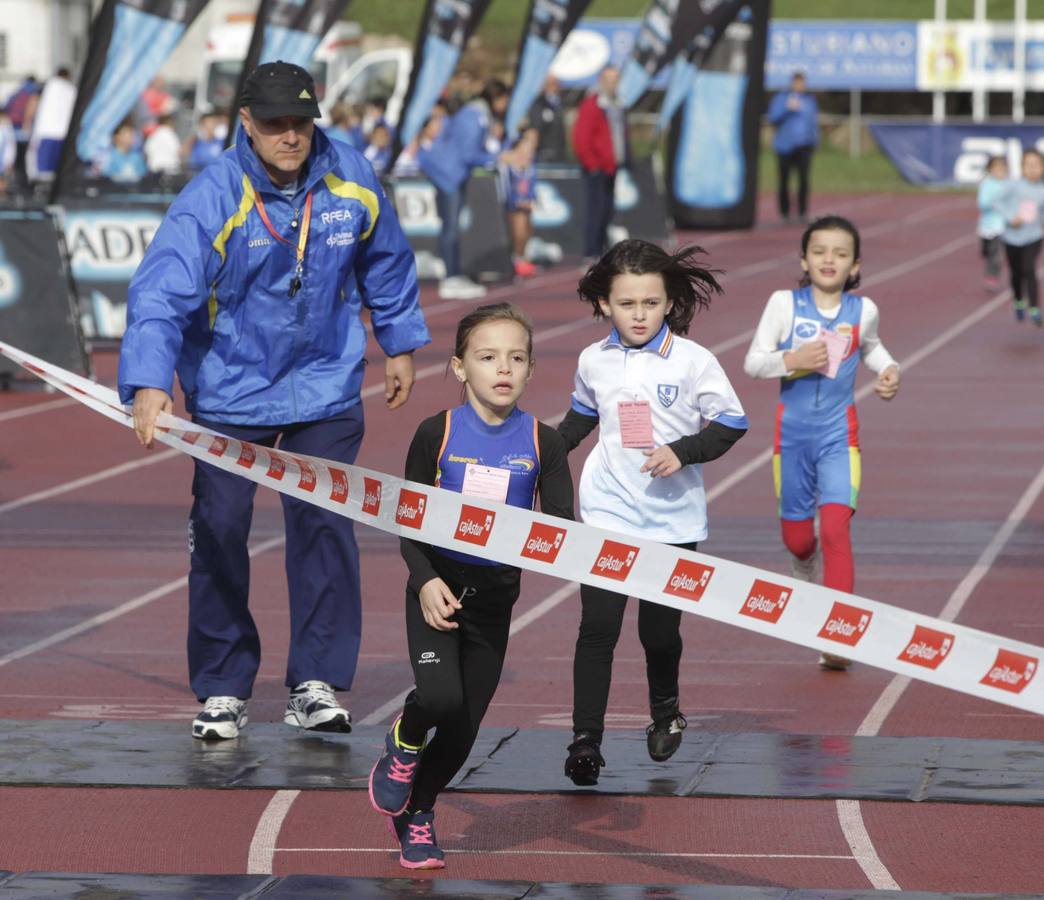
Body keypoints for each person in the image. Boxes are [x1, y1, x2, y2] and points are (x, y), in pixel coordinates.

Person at [117, 61, 429, 740]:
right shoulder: (213, 195)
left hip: (325, 385)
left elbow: (388, 260)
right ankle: (225, 686)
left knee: (323, 527)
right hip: (231, 389)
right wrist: (148, 381)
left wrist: (399, 340)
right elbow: (160, 293)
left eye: (301, 122)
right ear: (247, 124)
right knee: (221, 529)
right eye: (276, 123)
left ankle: (314, 682)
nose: (291, 136)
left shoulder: (352, 178)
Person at [367, 302, 574, 869]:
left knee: (462, 729)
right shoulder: (436, 433)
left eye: (516, 358)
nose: (503, 368)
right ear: (460, 368)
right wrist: (426, 579)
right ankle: (404, 742)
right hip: (435, 592)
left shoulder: (544, 442)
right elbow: (407, 519)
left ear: (531, 370)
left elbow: (562, 529)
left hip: (493, 605)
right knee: (439, 699)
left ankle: (418, 817)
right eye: (487, 357)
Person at [554, 240, 749, 786]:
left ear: (668, 303)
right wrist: (541, 449)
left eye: (649, 303)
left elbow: (732, 423)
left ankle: (665, 711)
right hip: (606, 513)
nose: (638, 314)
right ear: (604, 305)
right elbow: (580, 418)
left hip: (673, 521)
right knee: (598, 629)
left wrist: (681, 451)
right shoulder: (593, 360)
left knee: (659, 635)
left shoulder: (693, 360)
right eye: (626, 303)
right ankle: (585, 741)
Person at [743, 216, 900, 670]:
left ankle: (839, 635)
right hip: (791, 438)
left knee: (835, 528)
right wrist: (791, 360)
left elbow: (871, 347)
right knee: (798, 541)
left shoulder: (862, 310)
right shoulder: (783, 305)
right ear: (804, 260)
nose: (829, 259)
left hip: (839, 438)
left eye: (840, 253)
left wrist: (890, 371)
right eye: (820, 251)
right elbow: (753, 362)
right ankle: (803, 566)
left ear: (855, 266)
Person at [418, 79, 509, 300]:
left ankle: (453, 272)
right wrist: (496, 157)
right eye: (505, 99)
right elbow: (468, 153)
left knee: (451, 226)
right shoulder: (475, 116)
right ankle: (451, 276)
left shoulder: (476, 115)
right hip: (449, 173)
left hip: (449, 172)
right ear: (497, 98)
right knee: (451, 227)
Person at [572, 66, 627, 262]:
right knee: (595, 210)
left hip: (612, 166)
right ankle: (591, 252)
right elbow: (581, 137)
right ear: (601, 80)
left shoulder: (617, 103)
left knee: (607, 210)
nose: (612, 83)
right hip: (597, 167)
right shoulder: (593, 104)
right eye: (609, 79)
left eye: (615, 79)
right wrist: (592, 163)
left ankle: (602, 250)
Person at [767, 71, 819, 224]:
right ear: (792, 83)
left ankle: (802, 212)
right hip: (785, 146)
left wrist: (815, 140)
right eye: (797, 83)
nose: (800, 86)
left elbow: (813, 121)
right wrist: (788, 108)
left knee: (803, 180)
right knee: (784, 180)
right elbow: (773, 118)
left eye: (802, 83)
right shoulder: (781, 98)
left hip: (804, 145)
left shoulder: (810, 99)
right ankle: (784, 213)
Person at [1001, 148, 1044, 326]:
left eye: (1036, 165)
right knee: (1016, 273)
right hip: (1012, 237)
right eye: (1028, 165)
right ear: (1022, 167)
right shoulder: (1013, 186)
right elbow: (997, 203)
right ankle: (1019, 301)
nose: (1032, 169)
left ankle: (1034, 308)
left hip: (1033, 236)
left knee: (1029, 270)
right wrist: (1011, 218)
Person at [497, 127, 539, 278]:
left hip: (525, 204)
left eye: (530, 151)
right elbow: (507, 189)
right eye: (523, 151)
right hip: (514, 206)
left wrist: (531, 199)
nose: (527, 155)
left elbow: (532, 186)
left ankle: (522, 258)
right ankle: (516, 260)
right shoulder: (509, 168)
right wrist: (516, 202)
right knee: (518, 232)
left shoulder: (531, 168)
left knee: (528, 231)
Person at [27, 67, 75, 182]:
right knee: (59, 167)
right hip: (64, 133)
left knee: (42, 168)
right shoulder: (72, 89)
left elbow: (33, 102)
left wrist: (27, 121)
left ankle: (42, 188)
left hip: (45, 131)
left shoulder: (47, 86)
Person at [977, 155, 1008, 291]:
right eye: (996, 168)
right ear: (990, 170)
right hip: (986, 226)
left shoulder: (1009, 185)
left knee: (996, 254)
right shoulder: (986, 184)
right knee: (986, 252)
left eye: (1002, 167)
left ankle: (992, 276)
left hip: (1001, 227)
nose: (999, 170)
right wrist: (995, 201)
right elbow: (982, 204)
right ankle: (991, 266)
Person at [527, 74, 566, 163]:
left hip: (560, 153)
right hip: (544, 155)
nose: (555, 85)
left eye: (556, 82)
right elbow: (535, 129)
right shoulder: (538, 104)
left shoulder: (561, 102)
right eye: (551, 83)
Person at [144, 108, 182, 175]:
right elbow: (178, 151)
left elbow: (146, 151)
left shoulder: (153, 135)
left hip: (155, 171)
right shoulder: (171, 134)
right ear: (170, 122)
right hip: (170, 170)